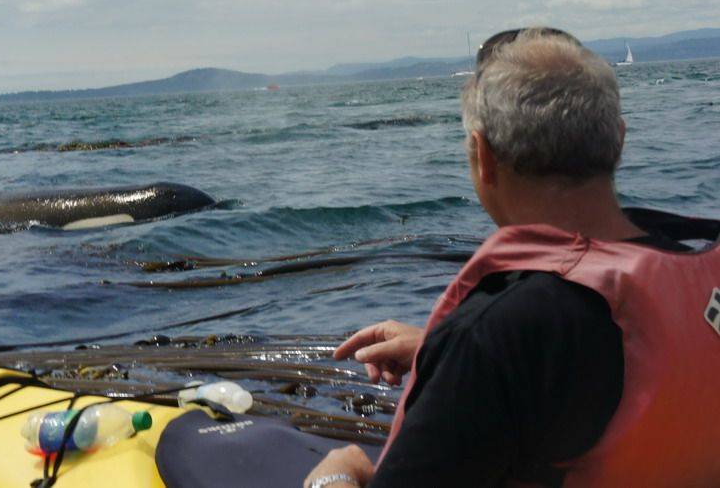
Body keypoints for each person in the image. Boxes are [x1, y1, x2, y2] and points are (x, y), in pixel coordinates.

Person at [303, 27, 720, 488]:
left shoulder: (498, 335)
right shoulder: (697, 266)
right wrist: (440, 350)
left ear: (483, 157)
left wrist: (338, 473)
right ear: (618, 141)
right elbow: (630, 365)